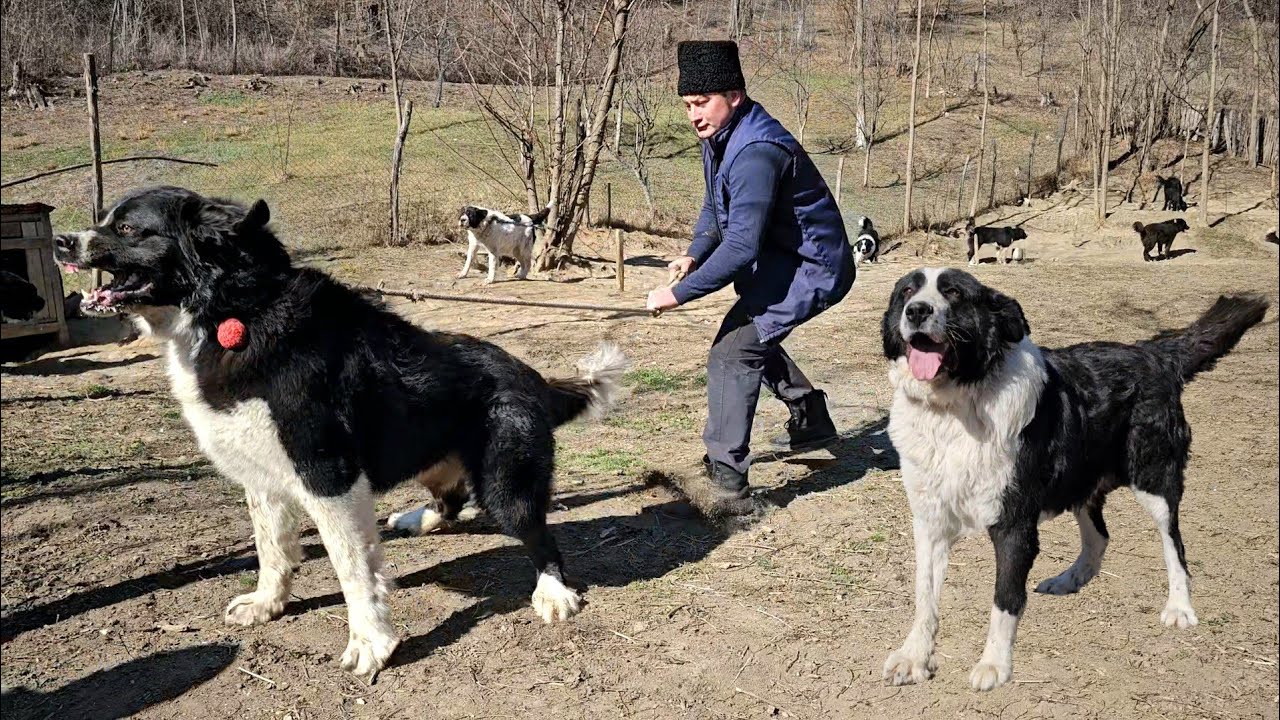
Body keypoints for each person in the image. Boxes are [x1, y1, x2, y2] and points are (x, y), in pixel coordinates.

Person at [646, 40, 856, 516]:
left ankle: (728, 478)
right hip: (781, 258)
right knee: (755, 335)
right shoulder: (719, 138)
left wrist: (677, 295)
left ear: (734, 95)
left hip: (813, 265)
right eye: (687, 105)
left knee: (735, 348)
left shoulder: (757, 150)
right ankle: (812, 418)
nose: (693, 116)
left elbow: (740, 247)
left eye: (701, 103)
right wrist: (694, 255)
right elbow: (715, 209)